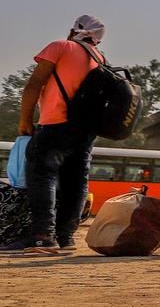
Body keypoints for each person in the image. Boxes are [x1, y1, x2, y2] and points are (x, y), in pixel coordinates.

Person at [1, 16, 107, 255]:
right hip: (85, 131)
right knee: (76, 181)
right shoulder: (98, 58)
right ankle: (65, 237)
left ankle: (41, 238)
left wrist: (25, 120)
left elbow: (35, 83)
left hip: (56, 123)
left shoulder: (61, 46)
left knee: (42, 176)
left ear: (75, 30)